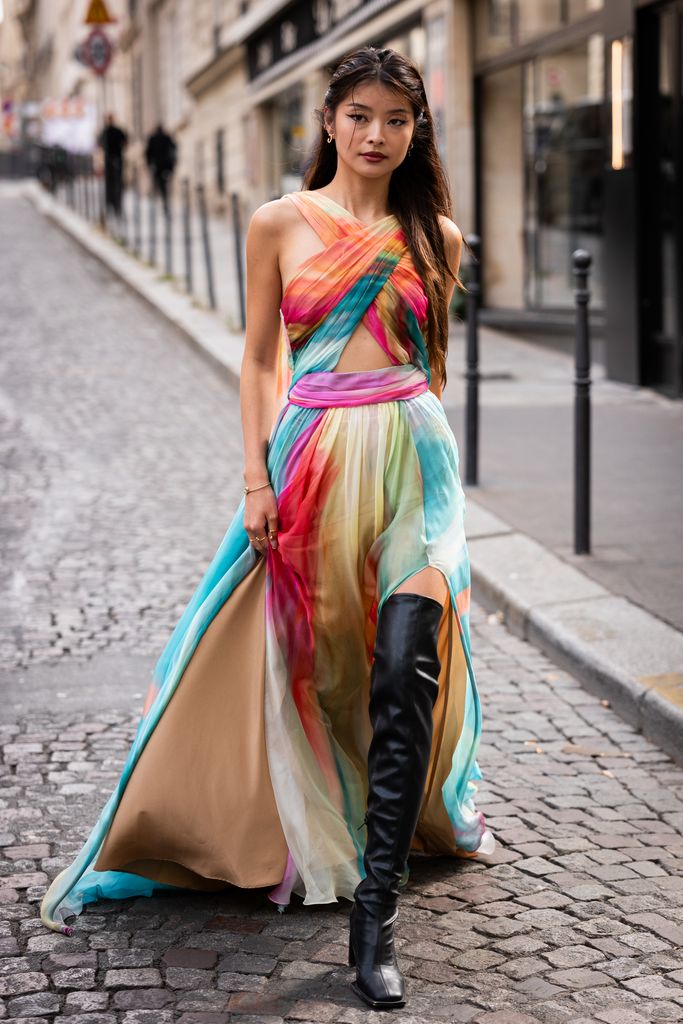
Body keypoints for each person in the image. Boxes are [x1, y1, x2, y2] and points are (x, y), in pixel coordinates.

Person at [39, 46, 496, 1011]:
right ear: (327, 119)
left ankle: (376, 912)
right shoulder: (277, 225)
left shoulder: (438, 234)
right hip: (312, 460)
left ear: (417, 132)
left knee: (407, 662)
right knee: (326, 665)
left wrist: (422, 447)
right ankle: (305, 826)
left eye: (397, 121)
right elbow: (256, 362)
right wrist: (255, 476)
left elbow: (430, 365)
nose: (377, 136)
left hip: (415, 462)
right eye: (360, 116)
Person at [98, 113, 127, 216]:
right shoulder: (115, 131)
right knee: (116, 184)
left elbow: (99, 144)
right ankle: (116, 207)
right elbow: (125, 142)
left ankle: (113, 206)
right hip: (116, 160)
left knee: (111, 185)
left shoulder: (105, 132)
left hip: (110, 161)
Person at [144, 122, 177, 215]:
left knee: (157, 185)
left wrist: (149, 164)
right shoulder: (166, 138)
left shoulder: (153, 138)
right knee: (164, 188)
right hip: (165, 166)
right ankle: (163, 205)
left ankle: (157, 205)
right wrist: (172, 166)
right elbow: (173, 151)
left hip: (157, 166)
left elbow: (148, 153)